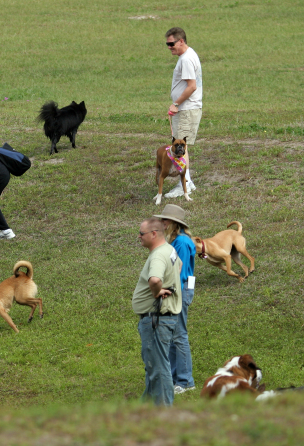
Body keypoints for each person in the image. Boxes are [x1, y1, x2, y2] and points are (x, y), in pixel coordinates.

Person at [133, 217, 182, 406]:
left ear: (154, 234)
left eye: (141, 233)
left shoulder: (158, 256)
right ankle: (145, 410)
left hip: (156, 319)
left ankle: (164, 413)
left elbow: (154, 279)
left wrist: (157, 291)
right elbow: (179, 266)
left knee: (159, 368)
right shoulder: (169, 250)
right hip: (163, 318)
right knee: (154, 366)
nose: (139, 236)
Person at [154, 205, 196, 395]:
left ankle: (186, 381)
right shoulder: (178, 241)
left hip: (179, 290)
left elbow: (179, 271)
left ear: (173, 223)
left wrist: (168, 291)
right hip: (177, 289)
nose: (161, 223)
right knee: (173, 337)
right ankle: (174, 378)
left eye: (164, 220)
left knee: (179, 336)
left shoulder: (182, 243)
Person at [165, 27, 202, 199]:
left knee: (180, 147)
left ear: (181, 41)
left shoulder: (186, 59)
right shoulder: (188, 55)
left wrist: (176, 104)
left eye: (171, 44)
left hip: (186, 109)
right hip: (187, 109)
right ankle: (187, 181)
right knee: (182, 147)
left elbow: (191, 86)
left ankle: (184, 184)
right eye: (167, 44)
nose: (169, 47)